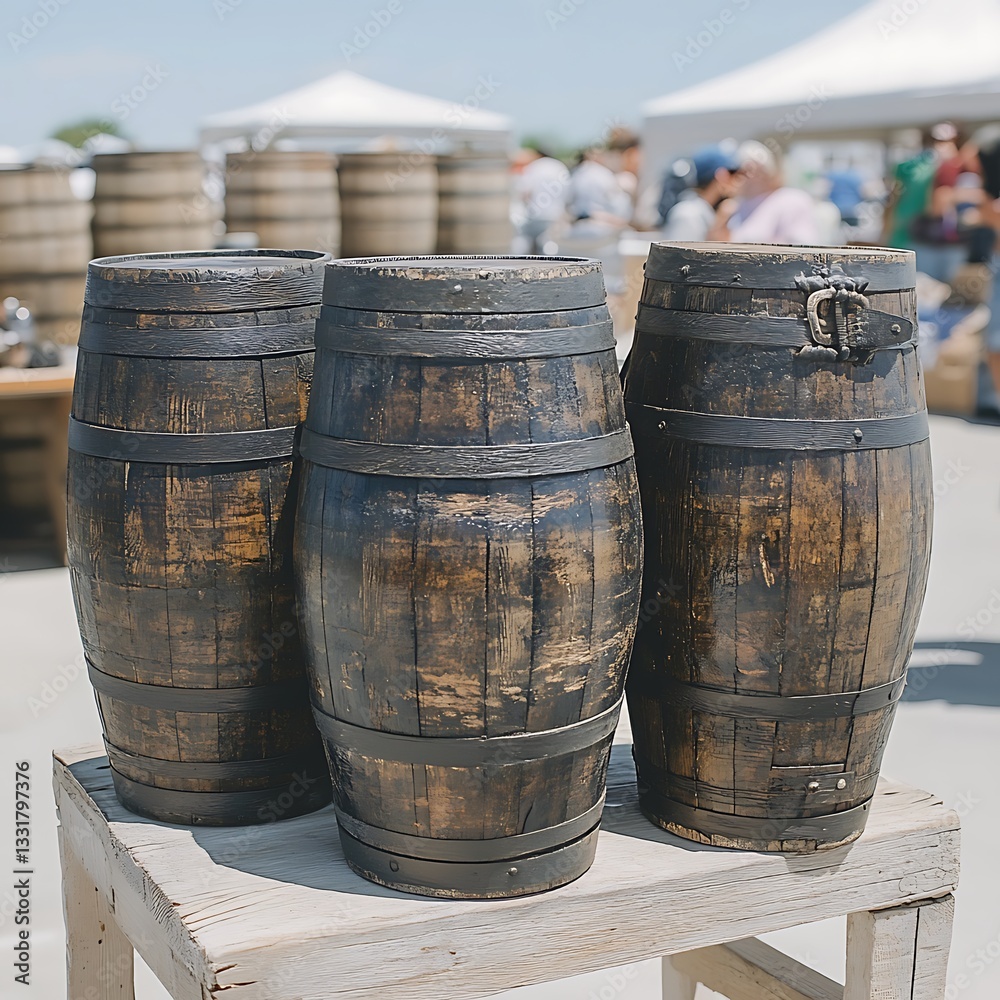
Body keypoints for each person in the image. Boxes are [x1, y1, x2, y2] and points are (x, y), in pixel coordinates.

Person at [709, 141, 819, 245]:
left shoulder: (792, 201)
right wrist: (721, 220)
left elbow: (803, 250)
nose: (727, 177)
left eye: (733, 171)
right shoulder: (736, 207)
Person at [661, 144, 740, 241]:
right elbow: (679, 256)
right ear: (722, 176)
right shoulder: (688, 215)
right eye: (733, 173)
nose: (738, 180)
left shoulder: (706, 213)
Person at [515, 146, 569, 254]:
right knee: (551, 251)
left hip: (535, 215)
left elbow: (525, 193)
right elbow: (568, 193)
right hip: (556, 216)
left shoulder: (534, 166)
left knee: (529, 252)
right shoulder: (559, 166)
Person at [566, 146, 632, 226]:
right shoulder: (603, 174)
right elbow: (617, 204)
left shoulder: (575, 174)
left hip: (577, 223)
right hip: (601, 223)